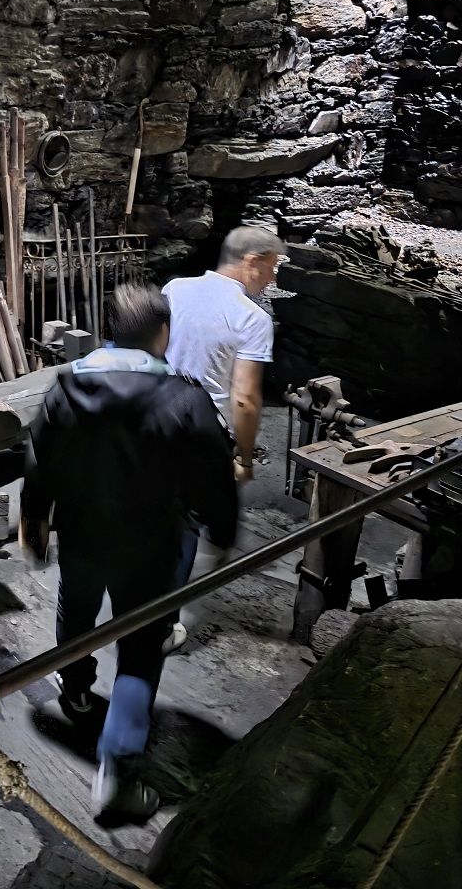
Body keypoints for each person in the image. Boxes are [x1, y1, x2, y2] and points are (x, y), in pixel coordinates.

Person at [23, 283, 235, 821]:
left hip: (83, 533)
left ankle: (74, 691)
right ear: (164, 334)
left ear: (109, 330)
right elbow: (213, 474)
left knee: (77, 610)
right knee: (141, 652)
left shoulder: (66, 388)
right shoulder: (186, 399)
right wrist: (221, 527)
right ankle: (117, 777)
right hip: (151, 548)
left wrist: (35, 522)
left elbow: (39, 461)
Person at [160, 225, 286, 648]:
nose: (272, 279)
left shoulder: (175, 287)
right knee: (181, 530)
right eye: (272, 268)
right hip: (199, 430)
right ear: (252, 263)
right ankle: (158, 629)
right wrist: (245, 457)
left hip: (152, 413)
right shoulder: (251, 317)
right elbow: (246, 398)